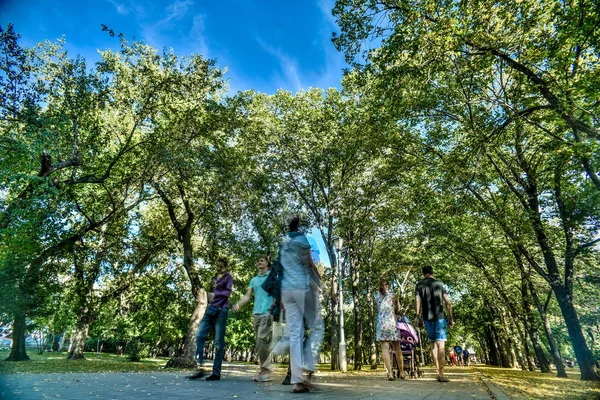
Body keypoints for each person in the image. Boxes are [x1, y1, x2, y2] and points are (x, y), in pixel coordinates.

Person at [279, 216, 324, 393]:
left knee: (295, 334)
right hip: (302, 288)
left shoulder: (284, 245)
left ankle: (298, 381)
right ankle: (309, 365)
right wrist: (322, 284)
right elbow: (309, 265)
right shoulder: (302, 241)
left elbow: (282, 270)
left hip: (287, 291)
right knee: (317, 327)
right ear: (300, 228)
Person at [189, 257, 233, 381]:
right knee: (199, 336)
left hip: (222, 310)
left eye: (221, 265)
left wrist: (215, 295)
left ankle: (216, 373)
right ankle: (200, 368)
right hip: (210, 309)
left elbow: (227, 293)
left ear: (225, 266)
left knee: (218, 343)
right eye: (217, 265)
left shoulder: (228, 278)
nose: (219, 267)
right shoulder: (213, 278)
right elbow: (211, 294)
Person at [232, 255, 274, 382]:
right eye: (258, 261)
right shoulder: (254, 280)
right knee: (259, 343)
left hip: (268, 313)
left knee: (262, 340)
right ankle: (264, 370)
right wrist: (238, 304)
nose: (259, 262)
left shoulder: (272, 276)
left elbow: (277, 291)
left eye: (262, 260)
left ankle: (267, 371)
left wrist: (275, 305)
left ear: (267, 263)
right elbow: (247, 296)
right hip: (256, 314)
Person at [415, 265, 454, 382]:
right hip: (440, 317)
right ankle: (442, 374)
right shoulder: (439, 284)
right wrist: (451, 318)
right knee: (441, 344)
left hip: (427, 317)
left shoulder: (419, 285)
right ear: (432, 272)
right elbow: (447, 301)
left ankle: (438, 371)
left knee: (433, 344)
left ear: (423, 274)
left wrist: (418, 317)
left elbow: (417, 301)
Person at [375, 278, 405, 380]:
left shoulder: (376, 296)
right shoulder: (394, 296)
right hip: (392, 323)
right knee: (397, 348)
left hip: (381, 323)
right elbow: (399, 310)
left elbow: (378, 308)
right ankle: (401, 372)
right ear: (388, 285)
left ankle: (390, 373)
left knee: (385, 349)